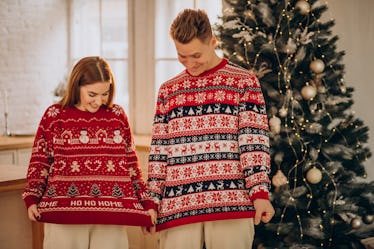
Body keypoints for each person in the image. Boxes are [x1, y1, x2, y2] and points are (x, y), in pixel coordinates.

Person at [146, 9, 275, 249]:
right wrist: (152, 201)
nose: (190, 63)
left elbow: (254, 144)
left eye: (196, 55)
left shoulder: (244, 82)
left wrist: (259, 194)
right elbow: (158, 152)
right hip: (178, 207)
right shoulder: (168, 90)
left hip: (232, 203)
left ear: (213, 42)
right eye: (182, 56)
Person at [22, 56, 157, 249]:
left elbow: (131, 166)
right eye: (92, 94)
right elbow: (40, 161)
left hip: (111, 219)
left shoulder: (117, 116)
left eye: (105, 93)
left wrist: (147, 204)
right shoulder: (54, 116)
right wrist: (32, 197)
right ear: (76, 86)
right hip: (63, 218)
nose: (98, 102)